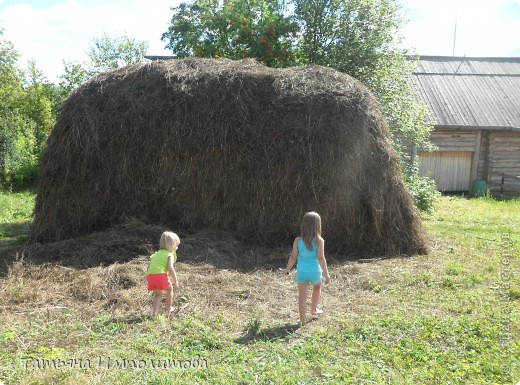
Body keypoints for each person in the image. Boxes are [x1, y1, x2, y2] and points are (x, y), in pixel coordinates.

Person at [284, 211, 331, 325]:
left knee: (302, 297)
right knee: (317, 288)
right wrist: (326, 274)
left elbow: (293, 257)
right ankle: (314, 309)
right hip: (315, 272)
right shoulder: (320, 241)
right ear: (318, 225)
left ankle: (302, 320)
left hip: (302, 272)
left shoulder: (298, 240)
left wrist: (287, 269)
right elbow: (321, 258)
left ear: (303, 225)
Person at [147, 231, 180, 316]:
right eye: (176, 246)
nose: (177, 248)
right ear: (171, 245)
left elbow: (149, 268)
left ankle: (154, 313)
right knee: (170, 289)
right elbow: (170, 268)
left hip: (150, 277)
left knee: (158, 294)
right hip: (160, 276)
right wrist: (175, 280)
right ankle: (169, 308)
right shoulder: (170, 255)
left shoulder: (155, 255)